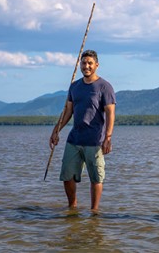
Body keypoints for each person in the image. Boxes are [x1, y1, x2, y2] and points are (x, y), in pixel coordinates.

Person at [49, 49, 116, 212]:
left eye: (90, 63)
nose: (86, 66)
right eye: (84, 63)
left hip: (94, 141)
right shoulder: (75, 86)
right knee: (67, 176)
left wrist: (108, 137)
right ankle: (72, 207)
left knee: (96, 178)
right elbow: (68, 111)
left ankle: (94, 211)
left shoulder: (104, 87)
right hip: (74, 140)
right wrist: (56, 130)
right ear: (80, 64)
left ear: (97, 65)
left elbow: (110, 113)